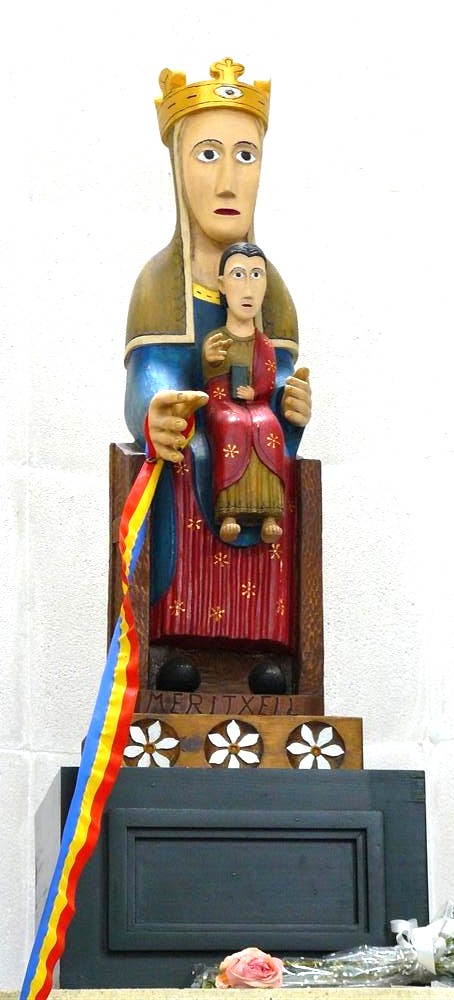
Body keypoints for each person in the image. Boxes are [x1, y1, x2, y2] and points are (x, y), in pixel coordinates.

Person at [122, 58, 312, 648]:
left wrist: (292, 402)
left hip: (257, 443)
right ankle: (179, 638)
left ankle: (264, 646)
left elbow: (279, 375)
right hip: (192, 455)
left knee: (269, 447)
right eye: (208, 154)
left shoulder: (272, 288)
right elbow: (149, 376)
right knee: (195, 451)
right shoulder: (159, 284)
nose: (229, 181)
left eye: (245, 156)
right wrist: (156, 410)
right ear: (177, 166)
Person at [203, 242, 306, 544]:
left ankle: (270, 514)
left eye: (256, 275)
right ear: (222, 284)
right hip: (223, 402)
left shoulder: (265, 345)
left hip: (255, 403)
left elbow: (269, 379)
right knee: (233, 425)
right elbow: (209, 378)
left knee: (268, 425)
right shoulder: (217, 338)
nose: (248, 289)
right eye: (238, 275)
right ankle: (229, 512)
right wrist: (210, 360)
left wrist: (256, 392)